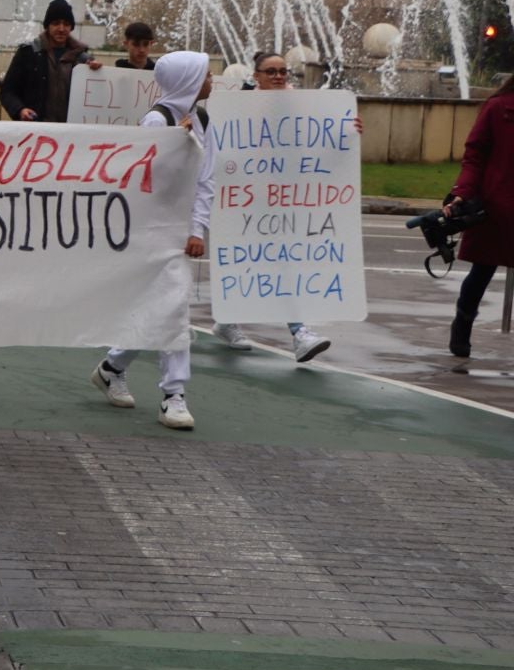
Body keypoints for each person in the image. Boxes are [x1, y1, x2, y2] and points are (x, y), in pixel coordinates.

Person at [92, 50, 214, 430]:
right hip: (152, 231)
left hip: (179, 232)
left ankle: (113, 366)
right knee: (172, 308)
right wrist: (174, 142)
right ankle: (173, 395)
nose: (211, 81)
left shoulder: (202, 119)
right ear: (187, 81)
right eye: (205, 75)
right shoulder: (156, 120)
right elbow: (137, 175)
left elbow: (206, 178)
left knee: (164, 307)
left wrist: (198, 229)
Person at [210, 51, 335, 361]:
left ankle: (239, 323)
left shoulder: (299, 108)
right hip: (245, 201)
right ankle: (297, 332)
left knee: (279, 260)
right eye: (271, 72)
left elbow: (320, 142)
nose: (279, 76)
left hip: (282, 200)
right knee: (260, 261)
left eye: (283, 72)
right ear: (257, 76)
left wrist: (346, 131)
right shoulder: (237, 110)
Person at [445, 74, 512, 360]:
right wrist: (462, 192)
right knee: (481, 273)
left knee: (480, 273)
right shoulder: (499, 108)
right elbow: (475, 154)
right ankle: (462, 323)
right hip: (498, 206)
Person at [1, 0, 100, 123]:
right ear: (47, 25)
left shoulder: (83, 59)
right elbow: (8, 92)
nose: (61, 28)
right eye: (56, 23)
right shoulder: (28, 53)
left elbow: (96, 99)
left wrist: (97, 74)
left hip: (72, 133)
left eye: (66, 24)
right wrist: (20, 110)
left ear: (71, 27)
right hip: (36, 131)